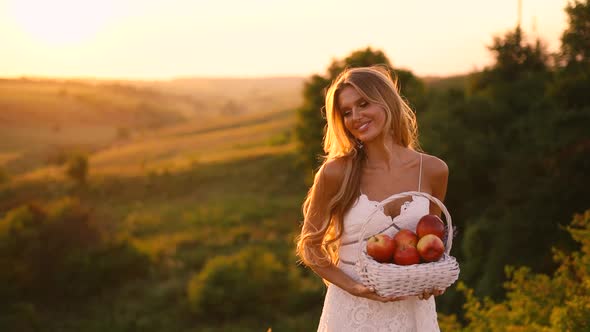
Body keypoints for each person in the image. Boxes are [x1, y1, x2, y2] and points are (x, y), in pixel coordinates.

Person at [296, 66, 449, 331]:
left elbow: (429, 241)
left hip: (412, 311)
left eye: (363, 104)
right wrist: (354, 288)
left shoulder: (434, 170)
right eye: (346, 112)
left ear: (387, 101)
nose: (355, 117)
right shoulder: (336, 172)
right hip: (351, 312)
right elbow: (310, 247)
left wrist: (431, 281)